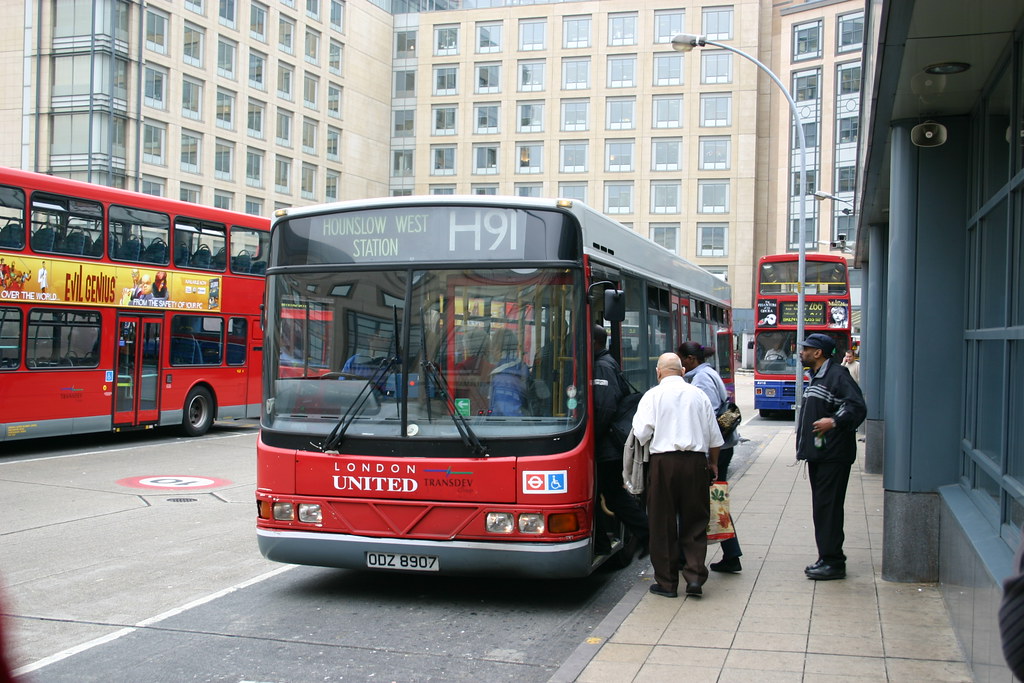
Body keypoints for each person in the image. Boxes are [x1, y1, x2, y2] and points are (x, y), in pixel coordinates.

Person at [632, 353, 723, 598]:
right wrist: (713, 464)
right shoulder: (699, 395)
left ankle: (667, 583)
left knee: (662, 523)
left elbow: (641, 433)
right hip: (696, 462)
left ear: (658, 372)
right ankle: (694, 579)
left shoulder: (652, 395)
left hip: (663, 463)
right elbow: (714, 436)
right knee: (695, 522)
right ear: (682, 371)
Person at [796, 333, 867, 580]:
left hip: (832, 456)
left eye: (806, 349)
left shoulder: (837, 375)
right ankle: (826, 556)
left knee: (828, 508)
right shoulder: (819, 377)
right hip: (822, 455)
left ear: (818, 353)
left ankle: (833, 562)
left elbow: (857, 406)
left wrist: (834, 422)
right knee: (823, 508)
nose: (801, 352)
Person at [678, 341, 743, 573]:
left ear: (690, 359)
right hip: (722, 447)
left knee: (712, 501)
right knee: (714, 500)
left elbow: (710, 416)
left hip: (716, 449)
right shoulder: (708, 372)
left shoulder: (701, 378)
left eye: (682, 360)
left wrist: (707, 456)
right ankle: (730, 553)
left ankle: (728, 554)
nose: (681, 365)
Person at [591, 324, 649, 556]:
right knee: (606, 494)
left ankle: (648, 535)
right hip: (608, 446)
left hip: (607, 447)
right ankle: (603, 543)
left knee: (613, 495)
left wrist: (589, 440)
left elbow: (604, 408)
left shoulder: (602, 367)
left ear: (593, 342)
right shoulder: (605, 362)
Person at [487, 328, 529, 416]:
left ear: (497, 348)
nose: (490, 350)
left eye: (492, 346)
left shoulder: (503, 377)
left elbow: (509, 415)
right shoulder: (520, 368)